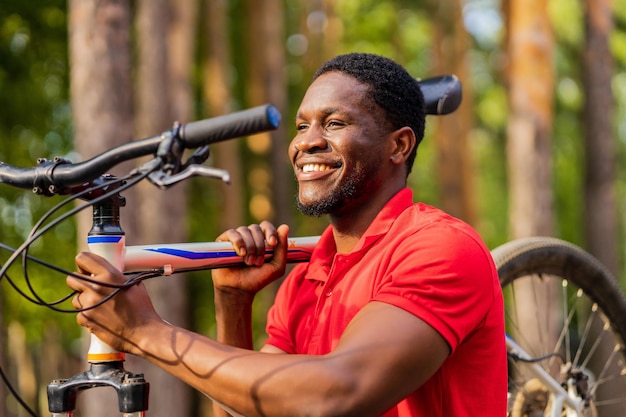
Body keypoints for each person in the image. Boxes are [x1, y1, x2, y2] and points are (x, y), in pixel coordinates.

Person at [67, 52, 507, 417]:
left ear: (399, 146)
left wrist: (146, 332)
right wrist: (233, 304)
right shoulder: (303, 279)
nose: (306, 143)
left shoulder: (440, 247)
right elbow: (254, 408)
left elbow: (336, 394)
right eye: (302, 126)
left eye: (333, 124)